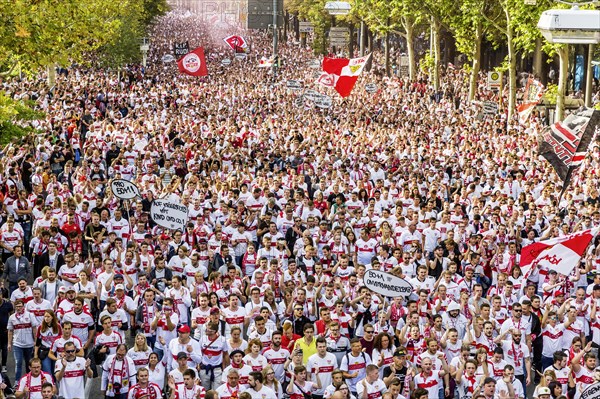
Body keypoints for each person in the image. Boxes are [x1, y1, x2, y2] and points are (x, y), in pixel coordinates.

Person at [8, 299, 37, 382]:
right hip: (17, 344)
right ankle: (17, 381)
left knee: (29, 363)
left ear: (23, 306)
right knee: (18, 362)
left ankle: (30, 380)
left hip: (29, 344)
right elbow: (10, 331)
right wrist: (9, 343)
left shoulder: (30, 315)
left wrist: (35, 341)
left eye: (20, 306)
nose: (18, 308)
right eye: (17, 306)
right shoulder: (12, 317)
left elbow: (34, 329)